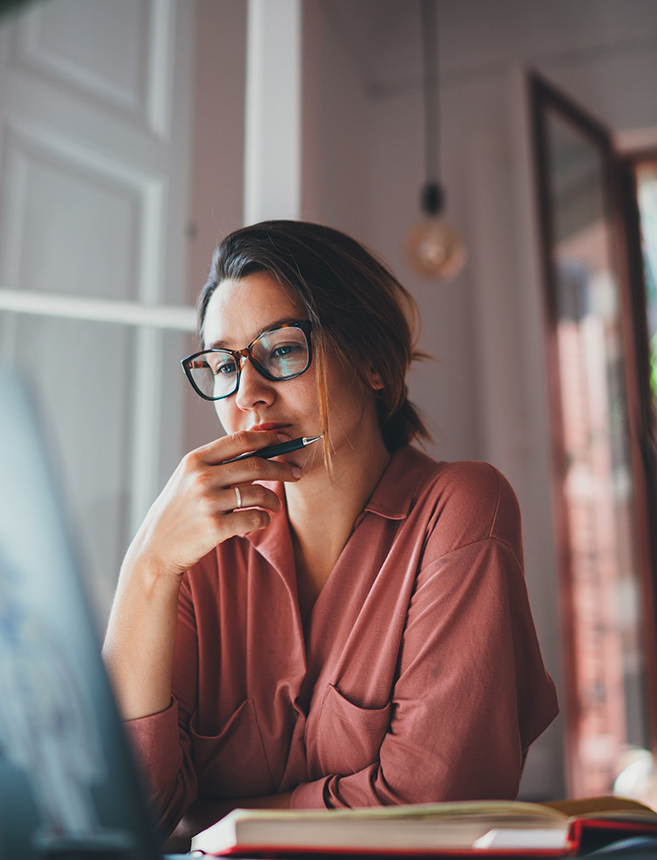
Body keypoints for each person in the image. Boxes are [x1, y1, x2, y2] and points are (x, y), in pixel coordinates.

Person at [103, 221, 558, 840]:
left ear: (372, 361)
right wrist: (148, 566)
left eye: (282, 349)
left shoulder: (459, 509)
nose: (250, 398)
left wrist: (211, 821)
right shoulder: (196, 553)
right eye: (224, 365)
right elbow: (125, 817)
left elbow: (430, 806)